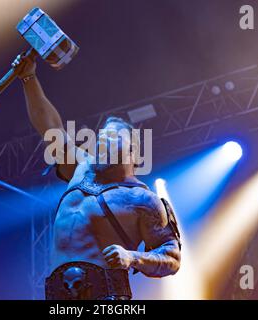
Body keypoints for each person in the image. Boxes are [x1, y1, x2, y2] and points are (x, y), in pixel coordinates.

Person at [14, 53, 181, 300]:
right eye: (100, 139)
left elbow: (172, 258)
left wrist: (133, 257)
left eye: (112, 139)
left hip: (108, 298)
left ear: (133, 150)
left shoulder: (143, 200)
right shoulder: (82, 167)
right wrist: (28, 77)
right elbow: (50, 127)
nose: (102, 143)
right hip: (59, 297)